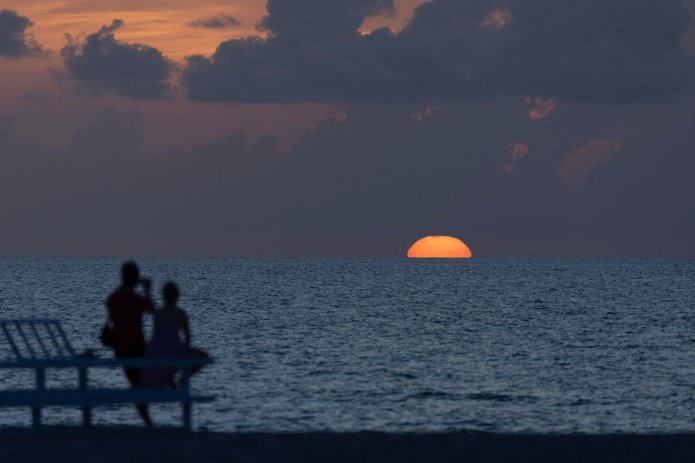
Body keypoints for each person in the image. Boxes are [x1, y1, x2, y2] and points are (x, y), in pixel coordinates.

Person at [105, 261, 154, 427]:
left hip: (121, 350)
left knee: (137, 384)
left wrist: (127, 285)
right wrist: (147, 290)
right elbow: (151, 309)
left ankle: (147, 421)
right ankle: (147, 421)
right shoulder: (137, 300)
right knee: (141, 384)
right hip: (139, 349)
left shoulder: (114, 298)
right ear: (136, 278)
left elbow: (110, 303)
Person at [142, 282, 191, 388]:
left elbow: (150, 307)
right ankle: (181, 379)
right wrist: (186, 353)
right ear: (177, 295)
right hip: (172, 350)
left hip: (157, 350)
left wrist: (147, 291)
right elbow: (188, 336)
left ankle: (173, 381)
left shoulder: (158, 313)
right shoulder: (180, 313)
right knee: (200, 356)